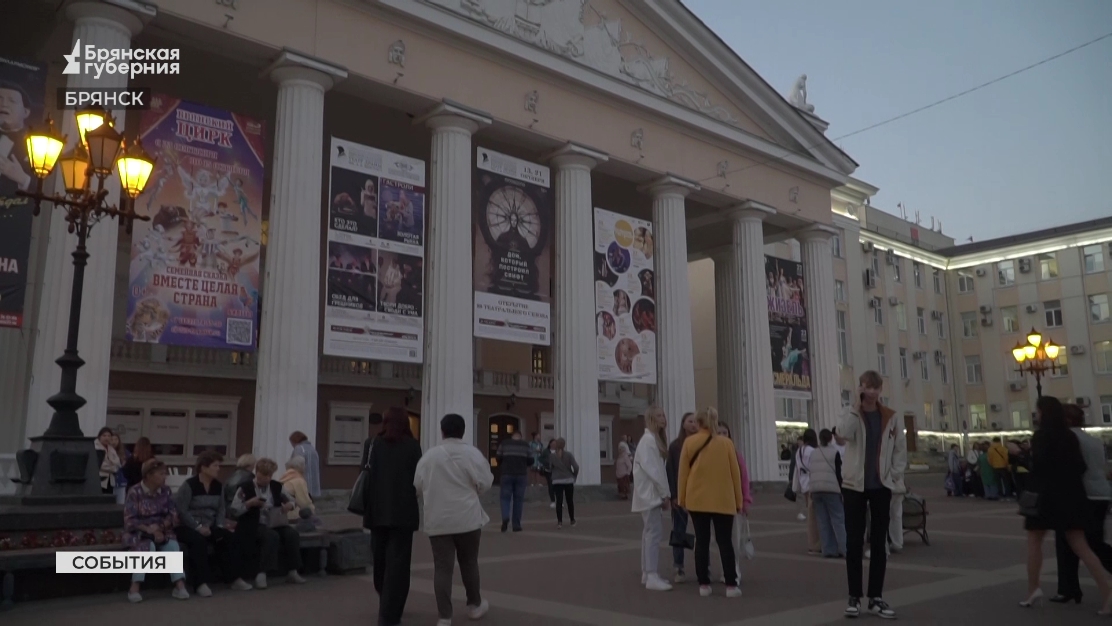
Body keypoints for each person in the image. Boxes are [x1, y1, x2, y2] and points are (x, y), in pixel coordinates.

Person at [1020, 396, 1112, 612]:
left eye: (1038, 411)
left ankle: (1033, 589)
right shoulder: (1070, 437)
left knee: (1034, 542)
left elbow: (1039, 467)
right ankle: (1107, 592)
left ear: (1045, 413)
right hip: (1072, 497)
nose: (1037, 414)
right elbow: (1080, 466)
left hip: (1045, 498)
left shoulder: (1041, 436)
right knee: (1082, 546)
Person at [834, 370, 905, 619]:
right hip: (854, 485)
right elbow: (842, 433)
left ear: (880, 390)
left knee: (878, 543)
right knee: (854, 542)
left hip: (880, 487)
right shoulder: (851, 412)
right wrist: (855, 406)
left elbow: (899, 450)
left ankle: (876, 597)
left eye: (876, 387)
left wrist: (894, 476)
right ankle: (854, 597)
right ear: (861, 388)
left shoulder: (891, 417)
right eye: (867, 387)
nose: (872, 392)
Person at [414, 413, 494, 626]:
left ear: (442, 431)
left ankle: (444, 617)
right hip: (468, 518)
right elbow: (486, 482)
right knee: (469, 562)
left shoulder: (430, 456)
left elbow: (418, 486)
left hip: (438, 520)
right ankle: (474, 605)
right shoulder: (473, 454)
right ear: (463, 431)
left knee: (442, 568)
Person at [361, 407, 423, 626]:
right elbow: (419, 479)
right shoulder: (413, 447)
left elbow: (364, 473)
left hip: (376, 511)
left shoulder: (372, 444)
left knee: (379, 559)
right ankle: (389, 613)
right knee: (398, 564)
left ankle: (385, 600)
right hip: (403, 512)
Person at [677, 407, 743, 599]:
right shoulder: (726, 443)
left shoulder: (689, 442)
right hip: (723, 499)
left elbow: (683, 474)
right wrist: (738, 500)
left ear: (698, 423)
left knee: (702, 542)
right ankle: (731, 585)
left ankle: (704, 584)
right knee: (725, 543)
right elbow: (735, 474)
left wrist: (682, 498)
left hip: (697, 499)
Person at [1051, 403, 1112, 604]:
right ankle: (1068, 588)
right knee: (1093, 541)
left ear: (1066, 420)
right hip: (1101, 493)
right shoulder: (1093, 440)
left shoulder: (1069, 438)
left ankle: (1069, 589)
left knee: (1069, 542)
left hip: (1081, 495)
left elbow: (1070, 468)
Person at [174, 451, 252, 595]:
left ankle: (234, 578)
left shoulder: (217, 486)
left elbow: (221, 508)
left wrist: (219, 526)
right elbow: (182, 510)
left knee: (228, 538)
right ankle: (200, 583)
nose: (218, 469)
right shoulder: (189, 485)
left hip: (211, 525)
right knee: (198, 542)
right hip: (188, 526)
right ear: (204, 467)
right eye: (215, 465)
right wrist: (197, 527)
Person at [231, 458, 305, 589]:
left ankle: (293, 571)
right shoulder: (245, 487)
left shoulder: (277, 486)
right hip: (253, 523)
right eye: (264, 475)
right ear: (257, 472)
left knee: (292, 534)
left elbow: (292, 500)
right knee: (271, 536)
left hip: (275, 522)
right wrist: (249, 504)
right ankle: (262, 573)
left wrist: (289, 505)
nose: (266, 478)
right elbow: (234, 510)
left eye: (269, 475)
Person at [123, 458, 189, 603]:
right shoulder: (135, 492)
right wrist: (149, 530)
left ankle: (179, 585)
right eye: (161, 474)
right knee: (147, 547)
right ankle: (134, 587)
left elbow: (173, 515)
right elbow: (129, 520)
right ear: (148, 476)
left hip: (162, 531)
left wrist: (160, 528)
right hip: (139, 532)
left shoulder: (166, 491)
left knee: (172, 545)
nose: (164, 477)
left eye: (164, 473)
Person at [632, 407, 673, 592]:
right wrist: (665, 494)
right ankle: (651, 574)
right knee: (653, 534)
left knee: (649, 533)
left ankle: (647, 573)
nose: (663, 418)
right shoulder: (649, 441)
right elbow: (655, 471)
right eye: (659, 416)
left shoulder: (651, 440)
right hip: (650, 495)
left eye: (663, 415)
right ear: (650, 418)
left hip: (648, 494)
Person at [715, 422, 752, 585]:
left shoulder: (737, 456)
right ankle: (724, 569)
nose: (723, 436)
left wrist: (745, 501)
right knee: (720, 540)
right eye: (719, 433)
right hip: (715, 503)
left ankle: (733, 567)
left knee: (734, 539)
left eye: (725, 432)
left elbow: (744, 480)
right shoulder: (710, 455)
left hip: (734, 503)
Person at [667, 411, 697, 582]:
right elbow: (670, 471)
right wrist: (673, 495)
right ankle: (678, 567)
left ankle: (704, 567)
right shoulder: (675, 446)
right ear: (683, 424)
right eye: (690, 421)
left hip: (699, 496)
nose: (693, 424)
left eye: (695, 421)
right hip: (680, 496)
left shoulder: (702, 444)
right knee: (679, 532)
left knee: (702, 533)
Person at [810, 429, 846, 558]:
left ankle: (828, 549)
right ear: (831, 438)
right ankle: (845, 548)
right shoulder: (834, 453)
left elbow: (811, 471)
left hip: (816, 489)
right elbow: (838, 472)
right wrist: (842, 489)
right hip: (831, 489)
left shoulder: (813, 453)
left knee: (822, 520)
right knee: (838, 519)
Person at [792, 428, 822, 555]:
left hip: (804, 484)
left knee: (810, 513)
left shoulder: (799, 451)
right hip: (813, 483)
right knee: (815, 515)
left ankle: (813, 542)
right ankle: (816, 543)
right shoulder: (813, 451)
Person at [496, 430, 531, 532]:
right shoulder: (526, 445)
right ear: (520, 436)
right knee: (518, 500)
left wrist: (504, 464)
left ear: (512, 436)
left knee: (505, 498)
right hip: (521, 475)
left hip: (506, 474)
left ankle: (505, 516)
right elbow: (531, 460)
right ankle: (516, 525)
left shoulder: (504, 443)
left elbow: (498, 457)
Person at [279, 456, 319, 530]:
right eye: (304, 465)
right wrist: (313, 509)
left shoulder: (286, 477)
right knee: (317, 523)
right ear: (300, 466)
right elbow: (304, 502)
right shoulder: (298, 480)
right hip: (293, 514)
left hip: (283, 512)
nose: (305, 467)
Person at [549, 438, 579, 528]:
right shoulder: (569, 455)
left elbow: (550, 468)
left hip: (557, 481)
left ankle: (559, 522)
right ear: (564, 445)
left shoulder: (552, 456)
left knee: (559, 501)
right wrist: (574, 475)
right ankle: (572, 520)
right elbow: (576, 467)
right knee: (570, 500)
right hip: (568, 480)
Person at [288, 431, 321, 500]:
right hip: (313, 484)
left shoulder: (299, 449)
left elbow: (296, 465)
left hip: (302, 482)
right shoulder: (312, 449)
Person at [95, 427, 122, 496]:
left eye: (109, 436)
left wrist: (112, 466)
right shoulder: (95, 447)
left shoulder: (111, 448)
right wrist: (113, 468)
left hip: (110, 481)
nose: (106, 438)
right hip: (99, 480)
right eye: (104, 435)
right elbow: (100, 464)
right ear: (99, 436)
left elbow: (118, 462)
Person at [110, 433, 130, 504]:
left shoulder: (125, 452)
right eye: (112, 439)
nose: (114, 442)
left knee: (120, 503)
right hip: (109, 482)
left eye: (116, 439)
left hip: (121, 481)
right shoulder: (106, 451)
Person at [540, 439, 557, 508]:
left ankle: (559, 501)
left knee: (558, 486)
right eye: (552, 443)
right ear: (550, 444)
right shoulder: (546, 451)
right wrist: (547, 462)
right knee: (551, 485)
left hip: (557, 471)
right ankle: (553, 501)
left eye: (555, 443)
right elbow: (540, 458)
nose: (554, 445)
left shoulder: (559, 451)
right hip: (548, 471)